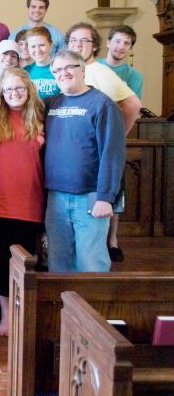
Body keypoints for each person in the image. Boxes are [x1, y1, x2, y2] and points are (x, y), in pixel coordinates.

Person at [65, 22, 141, 263]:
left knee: (91, 240)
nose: (78, 44)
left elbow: (133, 105)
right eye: (73, 40)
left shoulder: (99, 71)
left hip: (94, 164)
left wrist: (116, 138)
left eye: (84, 40)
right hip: (74, 161)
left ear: (95, 46)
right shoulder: (68, 70)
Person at [45, 50, 126, 273]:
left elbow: (113, 154)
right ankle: (62, 308)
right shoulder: (52, 104)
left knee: (90, 262)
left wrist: (106, 197)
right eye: (58, 70)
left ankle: (90, 308)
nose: (64, 73)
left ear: (82, 69)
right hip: (56, 197)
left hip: (90, 197)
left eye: (69, 67)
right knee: (58, 262)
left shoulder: (103, 105)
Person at [0, 69, 45, 336]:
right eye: (8, 90)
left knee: (28, 264)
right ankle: (7, 316)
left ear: (28, 88)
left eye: (18, 88)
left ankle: (24, 315)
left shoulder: (42, 117)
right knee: (4, 262)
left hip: (31, 201)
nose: (14, 93)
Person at [99, 25, 143, 98]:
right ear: (108, 43)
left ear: (130, 49)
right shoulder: (92, 66)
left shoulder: (135, 76)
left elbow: (133, 108)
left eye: (126, 43)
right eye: (117, 41)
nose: (121, 47)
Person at [24, 26, 58, 100]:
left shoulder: (61, 69)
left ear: (51, 45)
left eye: (42, 45)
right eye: (33, 46)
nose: (38, 50)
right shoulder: (26, 71)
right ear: (28, 48)